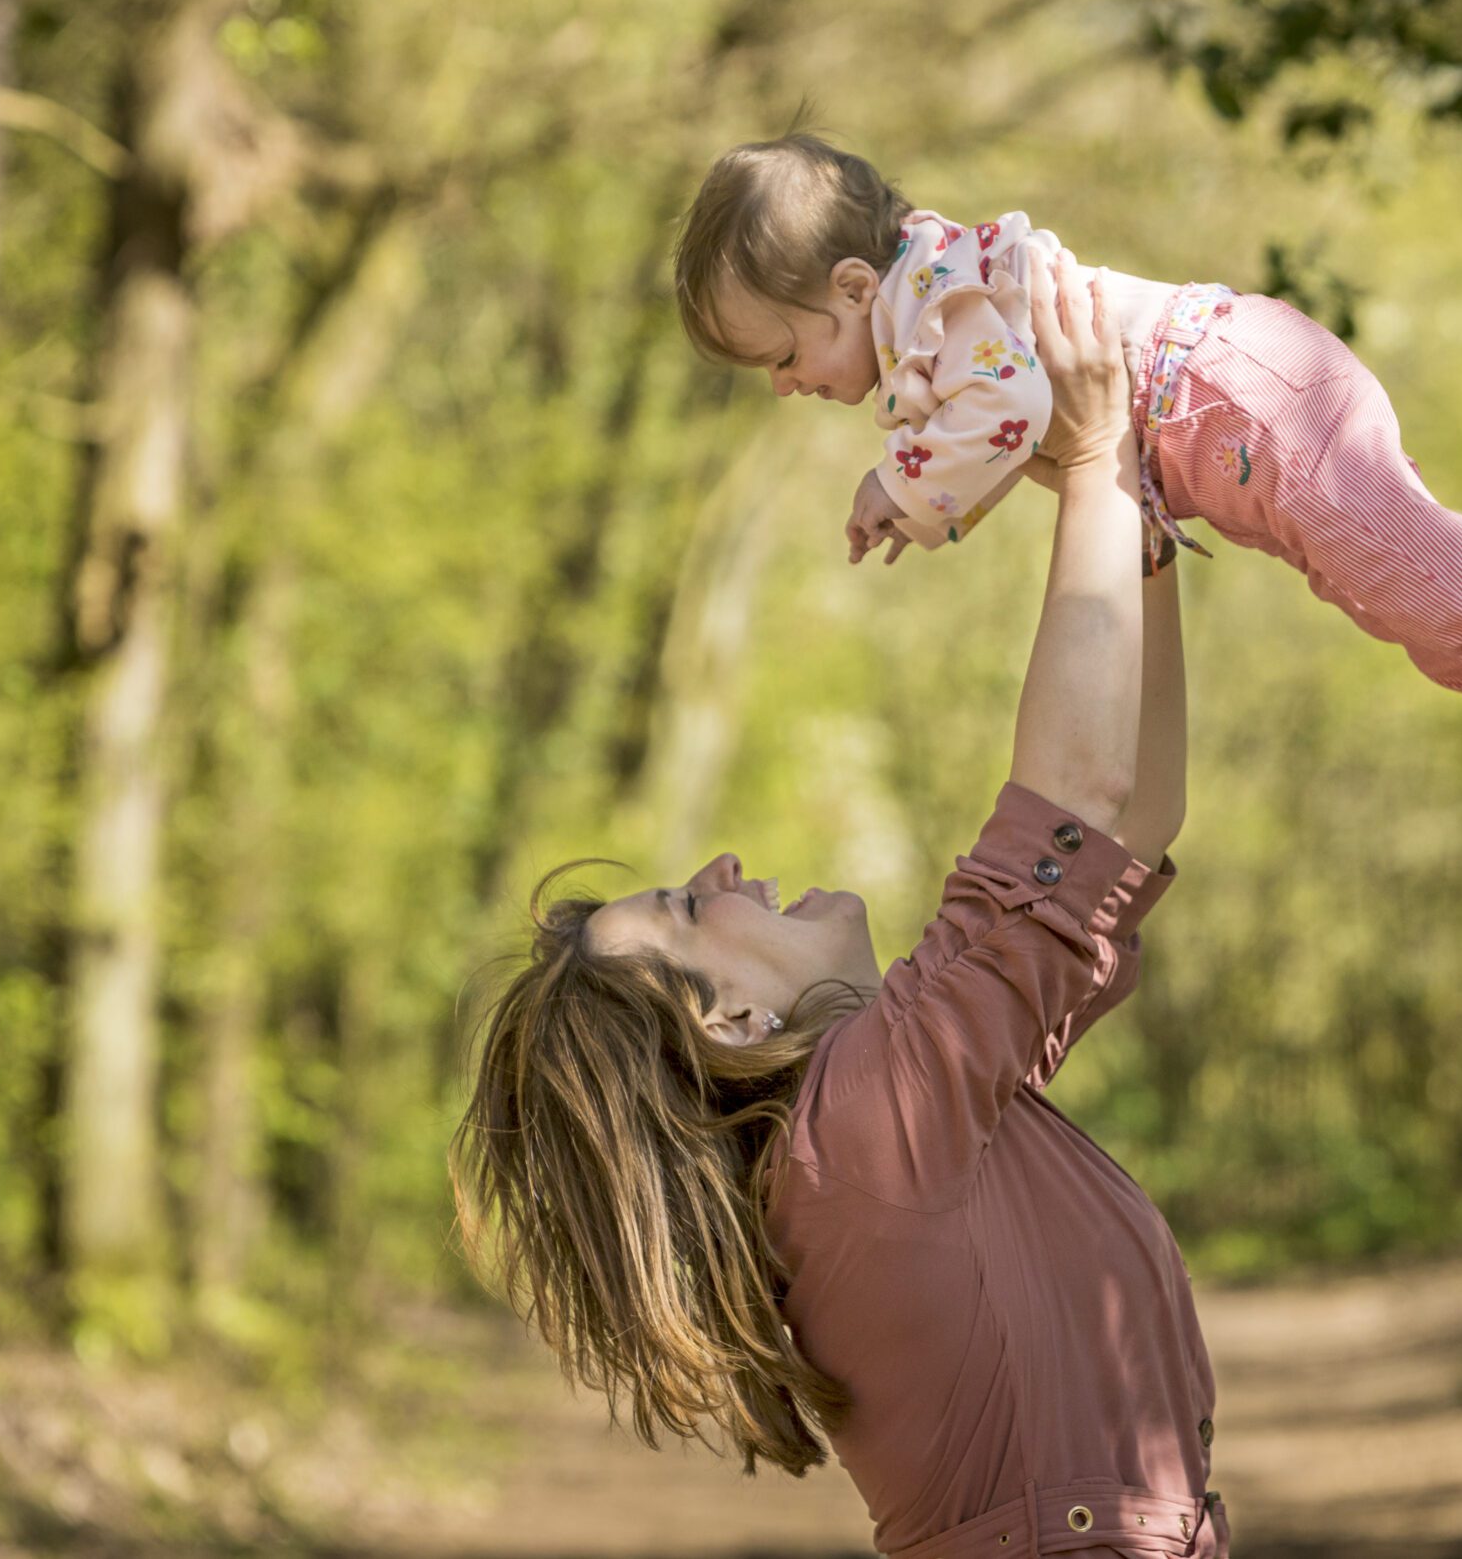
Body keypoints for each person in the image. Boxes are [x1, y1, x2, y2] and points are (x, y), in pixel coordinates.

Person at [454, 250, 1229, 1556]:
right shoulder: (864, 1133)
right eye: (692, 908)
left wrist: (1135, 520)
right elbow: (1071, 800)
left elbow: (1125, 827)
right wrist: (1091, 467)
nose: (727, 869)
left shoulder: (908, 1127)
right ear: (733, 1019)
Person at [671, 130, 1462, 780]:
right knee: (1347, 555)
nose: (784, 385)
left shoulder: (940, 302)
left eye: (785, 355)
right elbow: (1008, 429)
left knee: (1356, 526)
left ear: (852, 285)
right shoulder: (934, 304)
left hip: (1220, 384)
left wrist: (901, 489)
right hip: (1216, 408)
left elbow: (1012, 404)